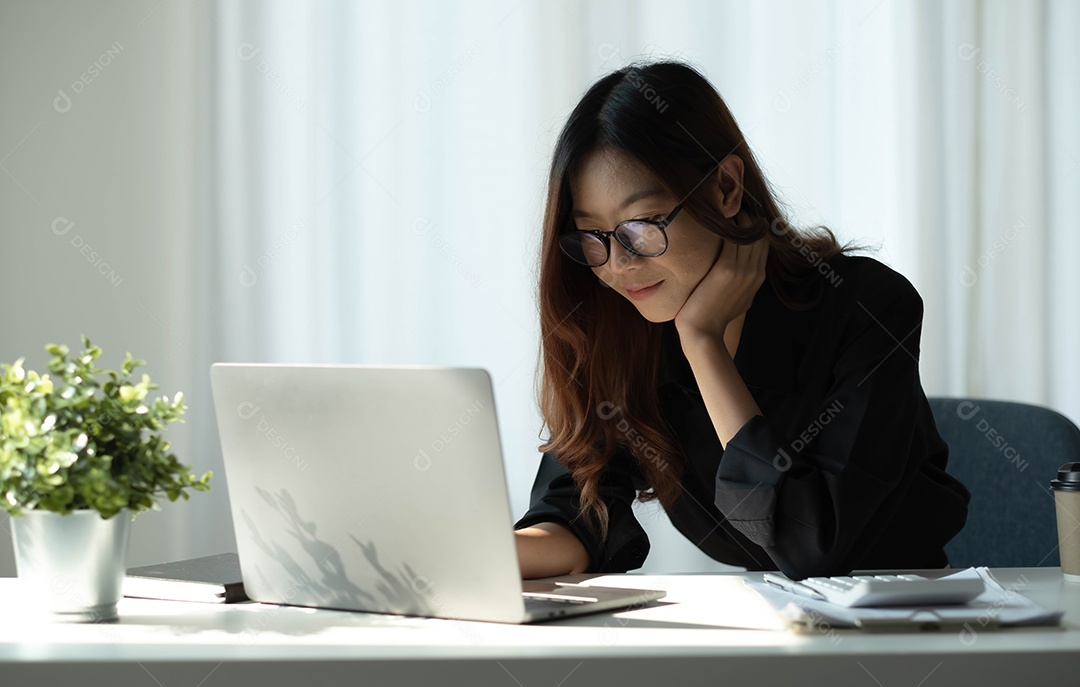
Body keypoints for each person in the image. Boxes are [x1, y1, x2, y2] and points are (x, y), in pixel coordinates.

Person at [512, 60, 970, 581]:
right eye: (593, 235)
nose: (619, 264)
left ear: (726, 188)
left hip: (902, 632)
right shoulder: (622, 329)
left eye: (640, 226)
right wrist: (454, 557)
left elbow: (813, 546)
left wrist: (702, 343)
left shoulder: (867, 305)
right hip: (758, 633)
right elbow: (574, 518)